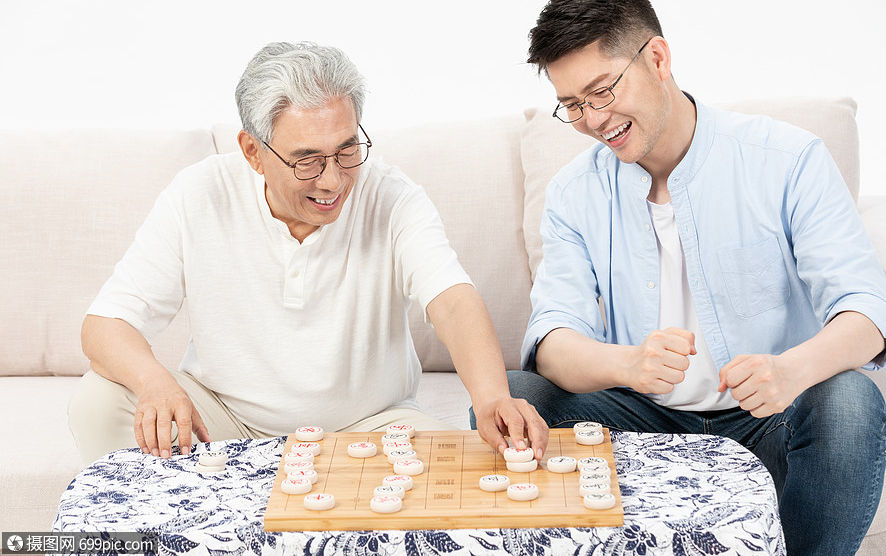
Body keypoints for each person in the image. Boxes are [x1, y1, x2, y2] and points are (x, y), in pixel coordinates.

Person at [508, 0, 886, 555]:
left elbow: (867, 312)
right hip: (637, 419)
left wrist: (790, 371)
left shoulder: (785, 159)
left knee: (850, 404)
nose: (593, 120)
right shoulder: (574, 192)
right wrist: (630, 363)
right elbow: (551, 340)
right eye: (572, 105)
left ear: (657, 58)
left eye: (603, 91)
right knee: (516, 399)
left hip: (767, 420)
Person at [69, 41, 548, 466]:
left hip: (370, 425)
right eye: (307, 160)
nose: (333, 180)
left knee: (456, 468)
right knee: (96, 403)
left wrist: (490, 398)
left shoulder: (391, 196)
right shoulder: (199, 193)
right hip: (225, 423)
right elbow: (107, 324)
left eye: (346, 150)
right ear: (253, 152)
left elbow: (451, 299)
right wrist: (155, 381)